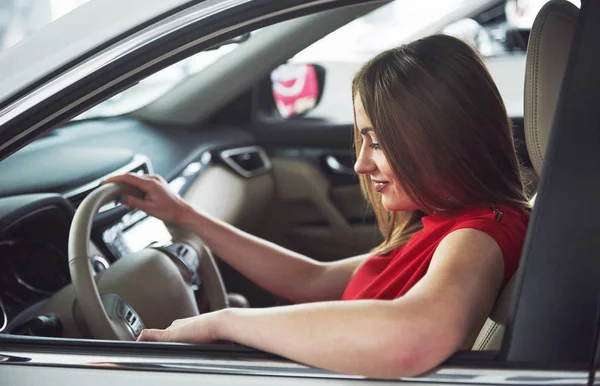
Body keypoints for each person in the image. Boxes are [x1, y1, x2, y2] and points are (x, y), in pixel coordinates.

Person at [105, 34, 530, 379]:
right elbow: (313, 278)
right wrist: (187, 216)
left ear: (444, 139)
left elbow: (418, 336)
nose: (362, 164)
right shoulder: (442, 225)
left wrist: (223, 323)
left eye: (378, 142)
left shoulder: (479, 235)